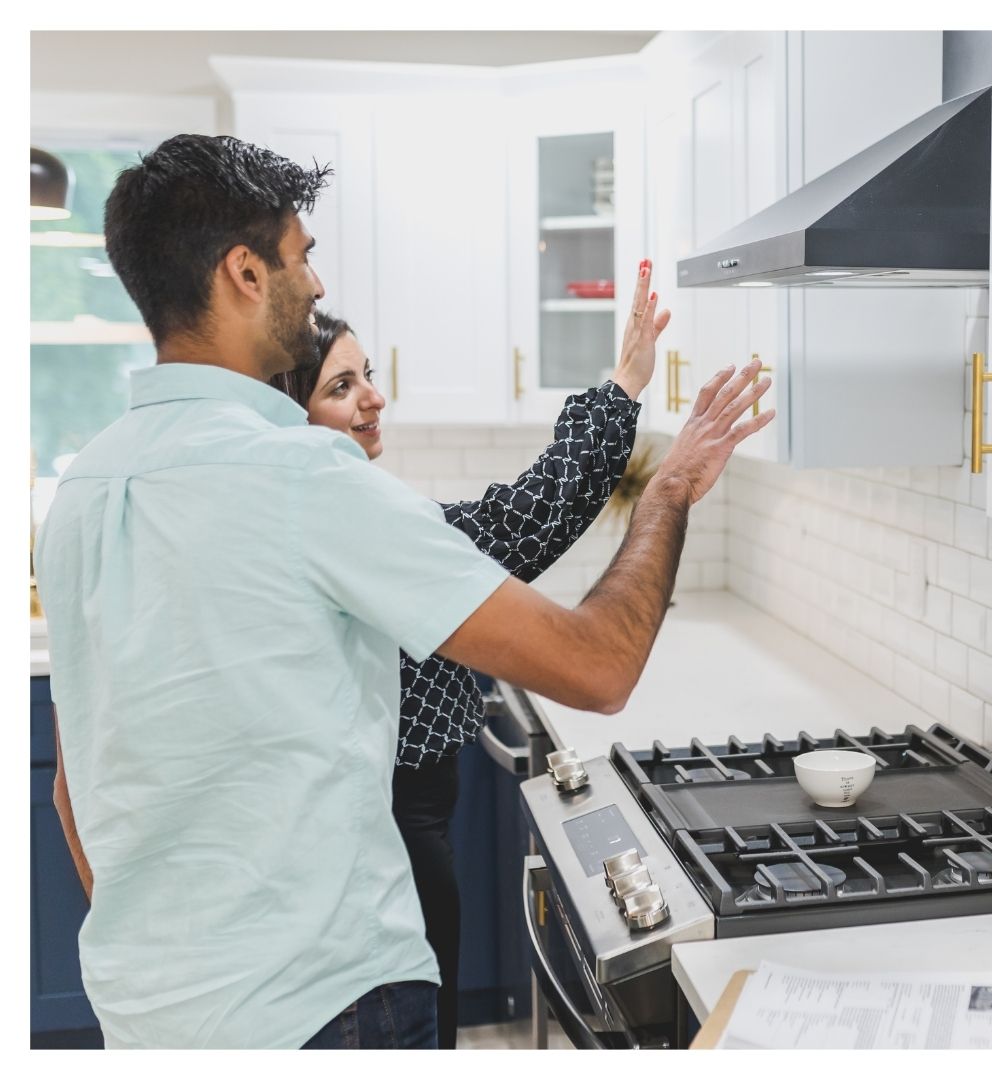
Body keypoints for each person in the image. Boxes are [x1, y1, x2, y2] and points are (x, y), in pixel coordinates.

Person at [35, 133, 773, 1050]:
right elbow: (601, 665)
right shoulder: (306, 478)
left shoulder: (81, 491)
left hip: (148, 1021)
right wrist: (665, 491)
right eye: (300, 257)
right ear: (244, 274)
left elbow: (75, 789)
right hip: (326, 1008)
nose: (313, 286)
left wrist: (177, 966)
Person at [270, 274, 661, 1047]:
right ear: (293, 416)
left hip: (385, 831)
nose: (373, 399)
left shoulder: (321, 520)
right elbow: (531, 515)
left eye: (368, 376)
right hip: (395, 835)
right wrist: (625, 385)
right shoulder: (359, 530)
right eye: (342, 386)